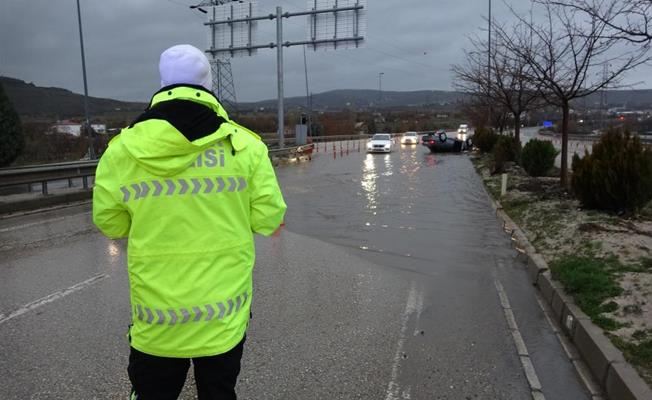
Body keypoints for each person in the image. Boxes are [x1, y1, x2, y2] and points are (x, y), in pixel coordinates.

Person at [92, 44, 286, 400]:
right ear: (208, 84)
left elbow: (112, 224)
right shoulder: (245, 147)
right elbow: (268, 218)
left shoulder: (121, 150)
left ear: (163, 83)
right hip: (223, 321)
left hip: (157, 325)